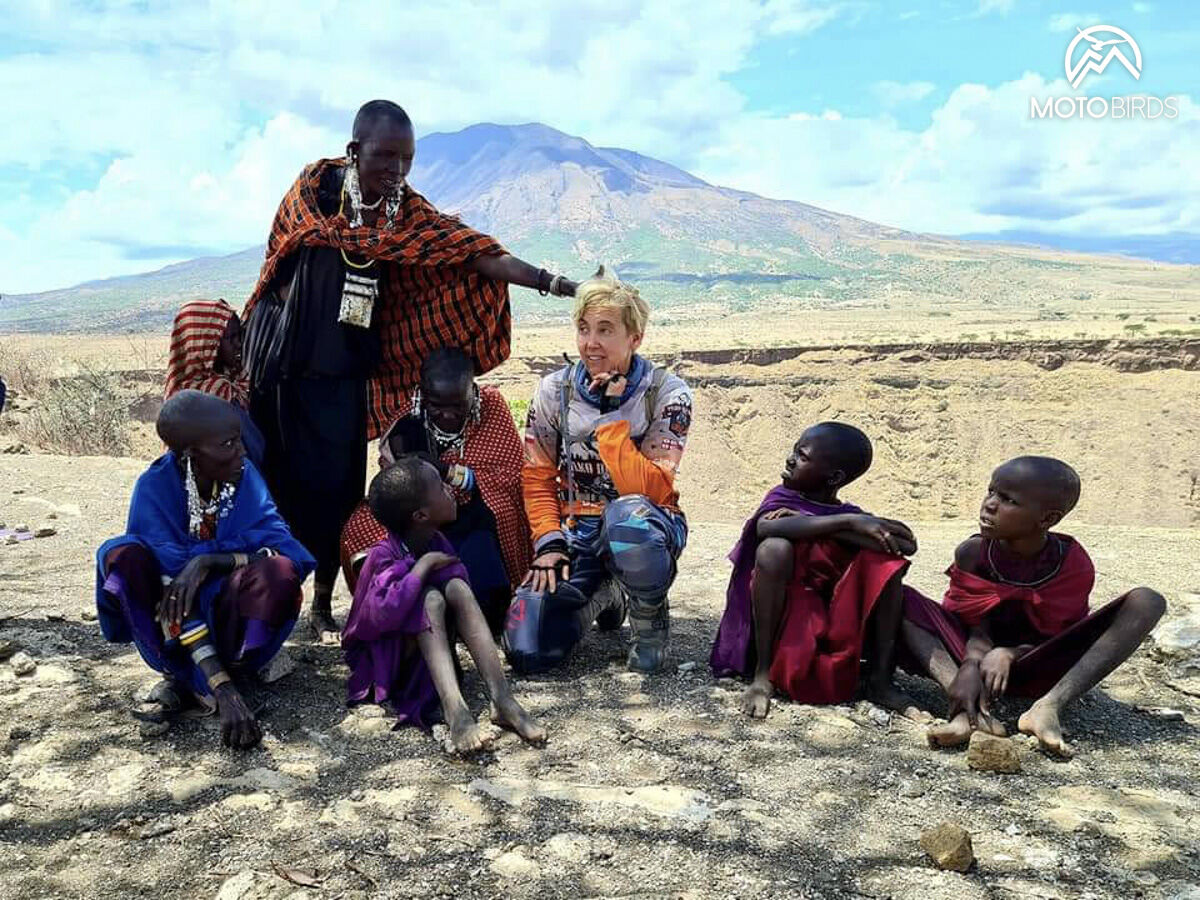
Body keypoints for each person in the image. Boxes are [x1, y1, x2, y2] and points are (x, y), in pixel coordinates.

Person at [242, 99, 580, 642]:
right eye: (385, 157)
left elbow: (471, 252)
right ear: (355, 151)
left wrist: (551, 282)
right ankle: (271, 608)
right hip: (285, 370)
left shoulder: (403, 215)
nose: (397, 171)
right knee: (281, 484)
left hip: (344, 379)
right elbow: (283, 258)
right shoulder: (314, 192)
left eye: (407, 159)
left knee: (337, 488)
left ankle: (322, 605)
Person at [902, 456, 1166, 757]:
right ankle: (968, 711)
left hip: (1041, 661)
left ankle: (1047, 706)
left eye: (1008, 500)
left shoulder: (1071, 563)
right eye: (991, 492)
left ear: (1047, 519)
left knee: (1148, 600)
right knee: (902, 596)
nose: (990, 504)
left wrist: (1010, 653)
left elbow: (1059, 634)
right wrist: (971, 665)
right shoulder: (973, 553)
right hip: (970, 659)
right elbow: (975, 622)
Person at [95, 391, 315, 749]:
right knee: (123, 555)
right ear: (189, 455)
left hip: (229, 611)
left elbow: (284, 545)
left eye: (239, 438)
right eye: (228, 444)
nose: (241, 451)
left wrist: (209, 560)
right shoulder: (154, 488)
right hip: (171, 620)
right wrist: (223, 691)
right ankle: (187, 675)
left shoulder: (244, 475)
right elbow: (173, 592)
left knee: (279, 571)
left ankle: (231, 669)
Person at [508, 267, 693, 674]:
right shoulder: (554, 390)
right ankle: (603, 596)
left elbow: (653, 489)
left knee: (627, 517)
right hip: (577, 530)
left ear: (635, 337)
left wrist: (608, 419)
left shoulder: (666, 392)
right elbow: (537, 476)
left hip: (645, 524)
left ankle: (647, 618)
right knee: (528, 649)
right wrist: (550, 543)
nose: (591, 343)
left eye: (606, 330)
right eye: (583, 328)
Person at [709, 423, 919, 718]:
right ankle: (763, 674)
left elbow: (905, 544)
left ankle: (880, 679)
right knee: (774, 548)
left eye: (803, 456)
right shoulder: (782, 499)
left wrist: (843, 522)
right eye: (795, 450)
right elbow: (767, 526)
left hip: (830, 619)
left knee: (886, 565)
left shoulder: (847, 513)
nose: (790, 459)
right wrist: (845, 524)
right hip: (780, 623)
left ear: (834, 477)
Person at [341, 456, 545, 753]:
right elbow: (382, 616)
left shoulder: (435, 539)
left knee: (458, 589)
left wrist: (430, 568)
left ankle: (502, 697)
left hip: (428, 642)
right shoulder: (383, 555)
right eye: (440, 488)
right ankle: (456, 712)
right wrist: (422, 568)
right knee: (431, 599)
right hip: (392, 657)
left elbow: (456, 572)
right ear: (420, 515)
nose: (449, 490)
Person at [339, 347, 531, 634]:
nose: (447, 415)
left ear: (472, 392)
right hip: (424, 515)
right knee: (361, 526)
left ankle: (487, 601)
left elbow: (510, 476)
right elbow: (395, 487)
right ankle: (389, 602)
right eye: (436, 405)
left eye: (457, 406)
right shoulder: (406, 422)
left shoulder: (493, 407)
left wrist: (445, 471)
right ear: (422, 395)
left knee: (503, 513)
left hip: (478, 515)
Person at [164, 298, 265, 467]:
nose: (238, 344)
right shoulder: (219, 394)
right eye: (231, 338)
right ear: (207, 344)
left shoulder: (178, 393)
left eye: (239, 335)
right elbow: (254, 449)